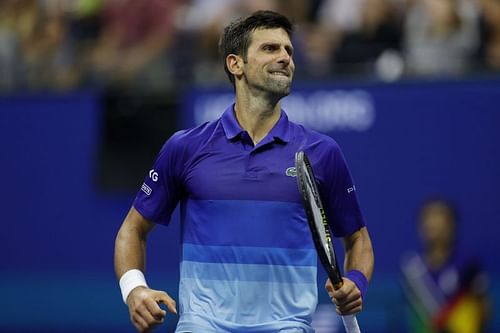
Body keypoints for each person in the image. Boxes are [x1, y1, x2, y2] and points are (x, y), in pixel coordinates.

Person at [114, 10, 374, 333]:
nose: (285, 58)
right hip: (202, 326)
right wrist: (134, 289)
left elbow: (358, 239)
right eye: (270, 49)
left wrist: (357, 282)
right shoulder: (186, 148)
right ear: (235, 64)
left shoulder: (322, 153)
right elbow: (132, 229)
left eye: (289, 51)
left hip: (287, 327)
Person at [401, 199, 491, 333]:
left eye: (437, 216)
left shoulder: (468, 264)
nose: (430, 223)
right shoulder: (413, 268)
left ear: (451, 224)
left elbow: (483, 307)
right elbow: (416, 316)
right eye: (426, 217)